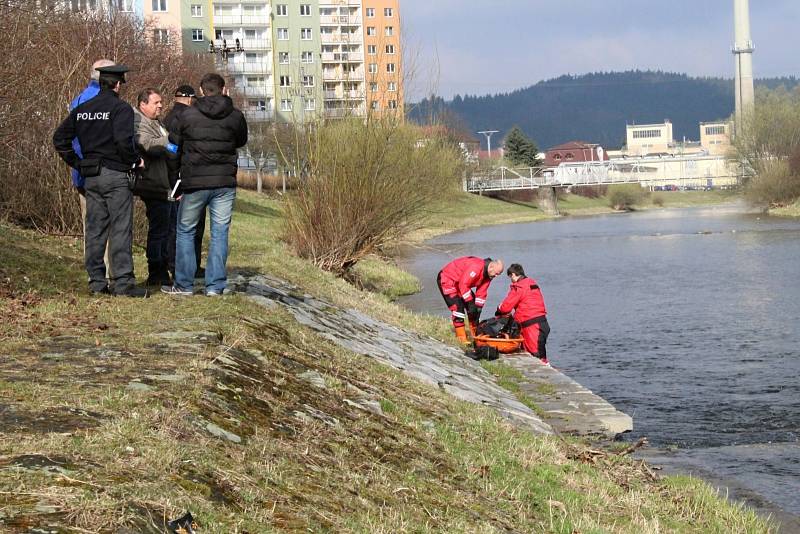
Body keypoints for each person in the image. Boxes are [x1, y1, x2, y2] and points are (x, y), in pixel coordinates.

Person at [53, 64, 148, 298]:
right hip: (115, 175)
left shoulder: (82, 109)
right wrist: (136, 161)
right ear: (117, 85)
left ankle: (96, 282)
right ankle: (123, 283)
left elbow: (59, 138)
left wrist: (78, 163)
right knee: (120, 229)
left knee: (95, 230)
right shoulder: (121, 109)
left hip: (91, 176)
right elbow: (123, 142)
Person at [162, 73, 247, 297]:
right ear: (223, 89)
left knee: (186, 231)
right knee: (219, 233)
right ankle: (215, 287)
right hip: (224, 183)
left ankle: (183, 285)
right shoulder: (235, 116)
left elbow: (172, 150)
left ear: (200, 91)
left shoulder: (187, 116)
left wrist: (175, 183)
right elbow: (241, 141)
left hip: (193, 182)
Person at [71, 58, 114, 280]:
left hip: (83, 173)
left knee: (91, 225)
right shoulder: (106, 102)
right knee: (110, 224)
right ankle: (108, 272)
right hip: (105, 172)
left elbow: (71, 140)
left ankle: (95, 272)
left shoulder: (78, 100)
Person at [133, 88, 177, 286]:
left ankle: (163, 268)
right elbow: (148, 144)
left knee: (166, 229)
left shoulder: (157, 123)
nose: (160, 105)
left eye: (161, 102)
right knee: (158, 230)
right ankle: (156, 271)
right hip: (152, 184)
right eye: (156, 102)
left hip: (164, 183)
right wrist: (172, 142)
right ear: (143, 105)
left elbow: (169, 147)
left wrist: (174, 148)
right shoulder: (139, 123)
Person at [162, 84, 205, 280]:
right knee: (192, 225)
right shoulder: (191, 117)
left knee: (175, 224)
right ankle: (191, 266)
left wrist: (173, 178)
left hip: (173, 177)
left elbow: (170, 150)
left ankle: (174, 263)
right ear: (189, 99)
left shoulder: (167, 117)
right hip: (190, 176)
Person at [437, 256, 504, 344]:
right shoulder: (476, 267)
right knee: (458, 309)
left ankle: (475, 335)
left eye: (498, 275)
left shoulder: (489, 275)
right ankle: (461, 338)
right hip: (447, 280)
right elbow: (463, 284)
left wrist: (478, 309)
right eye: (496, 273)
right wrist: (470, 302)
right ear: (491, 267)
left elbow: (482, 292)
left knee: (474, 311)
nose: (496, 276)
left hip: (460, 283)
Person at [495, 263, 550, 365]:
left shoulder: (519, 287)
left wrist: (499, 309)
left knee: (536, 356)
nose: (511, 280)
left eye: (510, 277)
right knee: (541, 354)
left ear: (513, 275)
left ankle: (542, 376)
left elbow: (506, 307)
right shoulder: (532, 283)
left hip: (531, 326)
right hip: (542, 323)